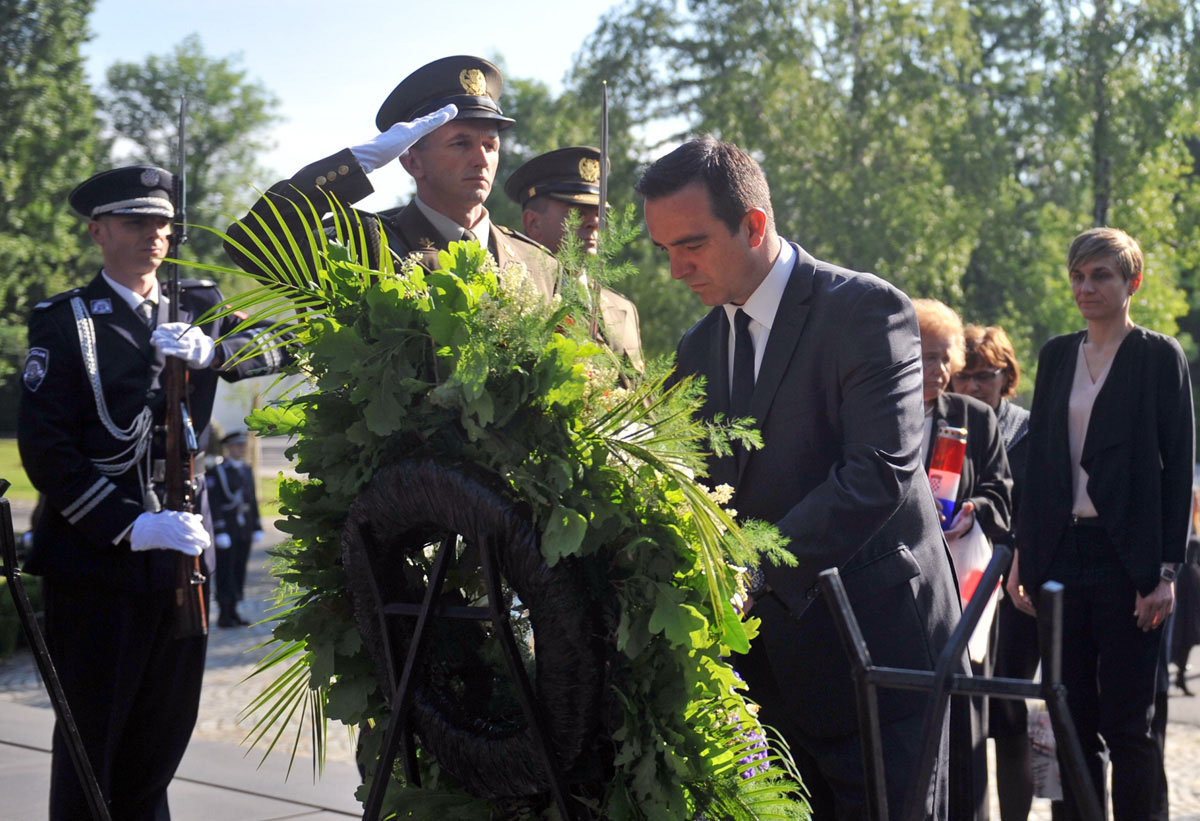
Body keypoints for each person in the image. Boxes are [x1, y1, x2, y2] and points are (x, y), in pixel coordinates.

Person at [640, 137, 964, 820]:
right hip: (773, 680)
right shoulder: (696, 348)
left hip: (877, 661)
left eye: (691, 245)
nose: (675, 270)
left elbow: (877, 472)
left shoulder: (865, 309)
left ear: (754, 225)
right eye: (664, 249)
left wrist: (748, 568)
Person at [17, 165, 291, 819]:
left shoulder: (197, 306)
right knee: (91, 743)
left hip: (181, 558)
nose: (154, 235)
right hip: (97, 562)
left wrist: (215, 353)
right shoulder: (65, 322)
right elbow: (48, 451)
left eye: (163, 223)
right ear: (99, 232)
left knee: (159, 742)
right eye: (136, 221)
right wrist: (130, 525)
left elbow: (284, 345)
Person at [1008, 227, 1193, 821]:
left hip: (1128, 558)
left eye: (1101, 275)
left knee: (1129, 724)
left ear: (1132, 281)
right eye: (1078, 276)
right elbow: (1039, 465)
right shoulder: (1056, 354)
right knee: (1065, 717)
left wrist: (1165, 571)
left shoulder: (1158, 356)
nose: (1086, 287)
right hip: (1059, 553)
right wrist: (1024, 552)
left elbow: (1176, 470)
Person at [225, 55, 557, 300]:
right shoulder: (367, 247)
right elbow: (254, 245)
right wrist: (356, 163)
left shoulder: (536, 262)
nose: (481, 159)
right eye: (460, 143)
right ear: (412, 161)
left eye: (490, 146)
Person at [914, 300, 1013, 821]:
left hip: (962, 584)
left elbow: (1001, 490)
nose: (937, 370)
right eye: (925, 357)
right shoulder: (882, 409)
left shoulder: (974, 417)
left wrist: (975, 510)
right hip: (901, 585)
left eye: (943, 357)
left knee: (965, 709)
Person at [951, 325, 1044, 821]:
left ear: (1007, 377)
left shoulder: (1031, 431)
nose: (971, 387)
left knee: (1007, 712)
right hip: (955, 581)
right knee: (959, 710)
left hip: (1012, 583)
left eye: (983, 376)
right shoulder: (944, 426)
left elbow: (1043, 508)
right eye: (962, 376)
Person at [504, 145, 643, 370]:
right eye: (577, 212)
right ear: (533, 223)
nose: (594, 222)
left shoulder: (623, 309)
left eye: (598, 213)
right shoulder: (513, 299)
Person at [207, 430, 263, 628]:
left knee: (239, 569)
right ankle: (224, 613)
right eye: (237, 445)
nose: (241, 449)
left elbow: (252, 500)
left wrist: (256, 525)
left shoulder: (246, 470)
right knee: (225, 571)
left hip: (243, 528)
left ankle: (234, 610)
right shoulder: (217, 472)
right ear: (228, 447)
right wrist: (219, 530)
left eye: (243, 445)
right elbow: (214, 503)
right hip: (227, 528)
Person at [1170, 486, 1200, 694]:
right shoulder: (1182, 523)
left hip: (1193, 587)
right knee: (1180, 630)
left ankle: (1180, 672)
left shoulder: (1196, 524)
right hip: (1182, 583)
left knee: (1190, 632)